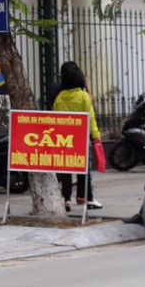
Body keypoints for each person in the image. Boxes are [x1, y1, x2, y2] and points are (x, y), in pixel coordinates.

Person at [52, 66, 102, 212]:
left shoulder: (59, 98)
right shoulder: (84, 96)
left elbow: (57, 117)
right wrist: (96, 135)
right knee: (84, 168)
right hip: (81, 138)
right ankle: (83, 197)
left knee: (66, 169)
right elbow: (90, 117)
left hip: (64, 138)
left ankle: (66, 200)